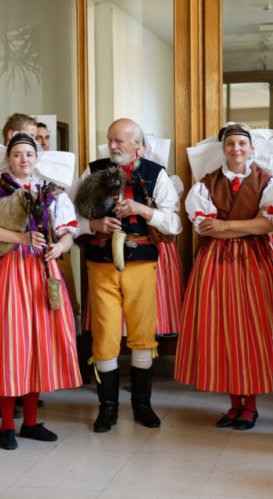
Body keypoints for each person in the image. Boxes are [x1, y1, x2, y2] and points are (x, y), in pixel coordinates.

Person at [0, 132, 81, 449]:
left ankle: (30, 422)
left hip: (40, 272)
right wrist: (21, 239)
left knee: (37, 345)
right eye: (17, 154)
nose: (24, 159)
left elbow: (68, 231)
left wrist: (60, 247)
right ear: (8, 159)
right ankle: (5, 425)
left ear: (37, 159)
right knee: (8, 345)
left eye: (29, 154)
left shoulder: (50, 192)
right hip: (4, 271)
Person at [174, 122, 273, 430]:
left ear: (252, 148)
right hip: (216, 264)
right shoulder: (206, 184)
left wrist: (225, 226)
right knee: (224, 331)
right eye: (230, 144)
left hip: (257, 264)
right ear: (223, 149)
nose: (236, 149)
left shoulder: (268, 182)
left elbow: (270, 224)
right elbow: (205, 228)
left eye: (242, 143)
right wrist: (249, 226)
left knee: (253, 331)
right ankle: (234, 404)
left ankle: (250, 405)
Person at [75, 118, 182, 433]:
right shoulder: (93, 170)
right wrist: (93, 225)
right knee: (105, 336)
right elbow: (68, 218)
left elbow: (174, 224)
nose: (112, 146)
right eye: (110, 139)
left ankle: (142, 406)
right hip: (100, 266)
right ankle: (107, 409)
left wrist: (141, 209)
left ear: (138, 145)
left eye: (119, 140)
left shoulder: (155, 173)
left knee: (142, 335)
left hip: (141, 266)